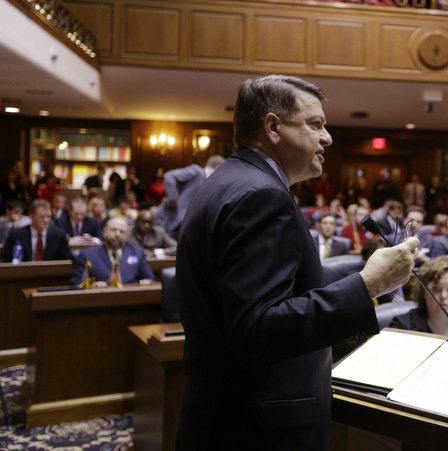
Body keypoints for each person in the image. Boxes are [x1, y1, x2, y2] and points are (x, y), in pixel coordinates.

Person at [175, 74, 418, 450]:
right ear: (273, 127)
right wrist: (367, 285)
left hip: (224, 412)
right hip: (257, 427)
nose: (328, 137)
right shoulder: (261, 196)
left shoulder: (229, 180)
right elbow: (257, 331)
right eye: (315, 124)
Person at [154, 155, 225, 239]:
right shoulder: (197, 171)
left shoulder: (210, 184)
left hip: (178, 229)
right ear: (218, 167)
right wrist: (173, 199)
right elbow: (169, 176)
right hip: (164, 222)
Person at [71, 216, 155, 287]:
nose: (117, 234)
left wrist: (147, 282)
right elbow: (77, 283)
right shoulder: (87, 254)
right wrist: (92, 285)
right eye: (114, 230)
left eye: (122, 232)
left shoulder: (137, 252)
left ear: (127, 235)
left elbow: (150, 278)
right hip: (100, 300)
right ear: (104, 231)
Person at [0, 199, 70, 262]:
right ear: (31, 216)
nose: (46, 220)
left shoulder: (59, 235)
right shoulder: (16, 235)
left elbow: (66, 262)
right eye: (42, 217)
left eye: (48, 216)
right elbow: (6, 260)